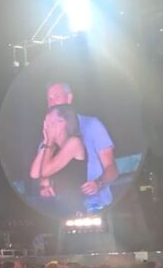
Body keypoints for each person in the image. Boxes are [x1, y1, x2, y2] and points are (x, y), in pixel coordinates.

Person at [42, 83, 118, 211]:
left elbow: (112, 169)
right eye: (49, 99)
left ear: (69, 98)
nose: (53, 102)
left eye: (57, 96)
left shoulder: (92, 125)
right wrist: (45, 187)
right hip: (66, 210)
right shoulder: (47, 138)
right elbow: (42, 175)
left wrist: (98, 183)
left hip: (97, 207)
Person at [30, 104, 87, 215]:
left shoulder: (74, 142)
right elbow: (34, 174)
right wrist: (46, 142)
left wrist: (49, 142)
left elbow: (45, 171)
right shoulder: (51, 148)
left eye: (50, 122)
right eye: (45, 122)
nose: (46, 126)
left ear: (62, 123)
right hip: (58, 207)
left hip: (74, 209)